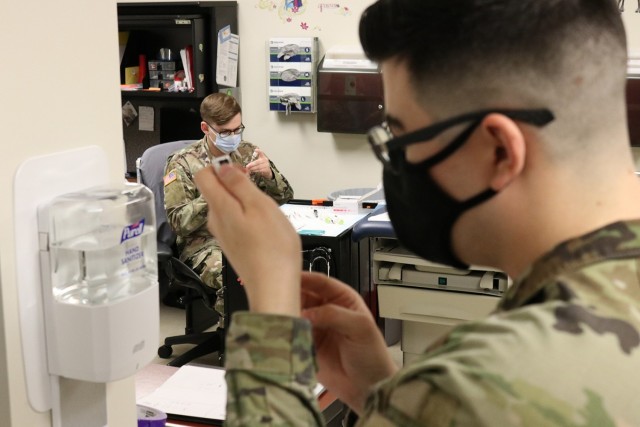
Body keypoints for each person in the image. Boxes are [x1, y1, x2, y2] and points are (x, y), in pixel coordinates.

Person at [195, 0, 640, 425]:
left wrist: (271, 305)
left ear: (499, 151)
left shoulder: (476, 387)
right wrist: (384, 395)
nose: (397, 161)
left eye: (403, 137)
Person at [163, 93, 294, 322]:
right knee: (238, 278)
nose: (233, 137)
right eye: (225, 132)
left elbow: (285, 196)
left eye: (237, 129)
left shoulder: (247, 152)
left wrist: (270, 175)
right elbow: (178, 223)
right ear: (206, 127)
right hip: (204, 244)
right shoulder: (181, 163)